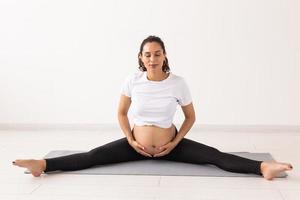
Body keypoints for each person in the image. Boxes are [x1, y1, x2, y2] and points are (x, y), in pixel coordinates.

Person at [13, 35, 293, 180]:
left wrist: (174, 143)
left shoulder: (178, 83)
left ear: (164, 55)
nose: (152, 58)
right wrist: (131, 140)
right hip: (136, 144)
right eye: (147, 54)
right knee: (93, 156)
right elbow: (122, 113)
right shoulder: (132, 80)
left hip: (170, 144)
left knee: (215, 156)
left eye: (157, 53)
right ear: (141, 57)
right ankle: (42, 164)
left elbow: (191, 117)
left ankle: (263, 167)